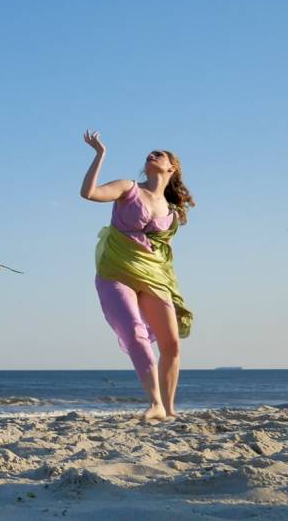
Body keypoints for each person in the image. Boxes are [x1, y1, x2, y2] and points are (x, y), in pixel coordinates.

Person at [80, 130, 196, 422]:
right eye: (150, 154)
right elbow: (89, 194)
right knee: (134, 331)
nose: (152, 155)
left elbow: (163, 250)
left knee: (171, 344)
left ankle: (169, 410)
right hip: (116, 270)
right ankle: (155, 402)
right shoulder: (127, 187)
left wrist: (170, 282)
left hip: (153, 275)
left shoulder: (170, 211)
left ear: (172, 168)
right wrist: (99, 155)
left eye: (161, 154)